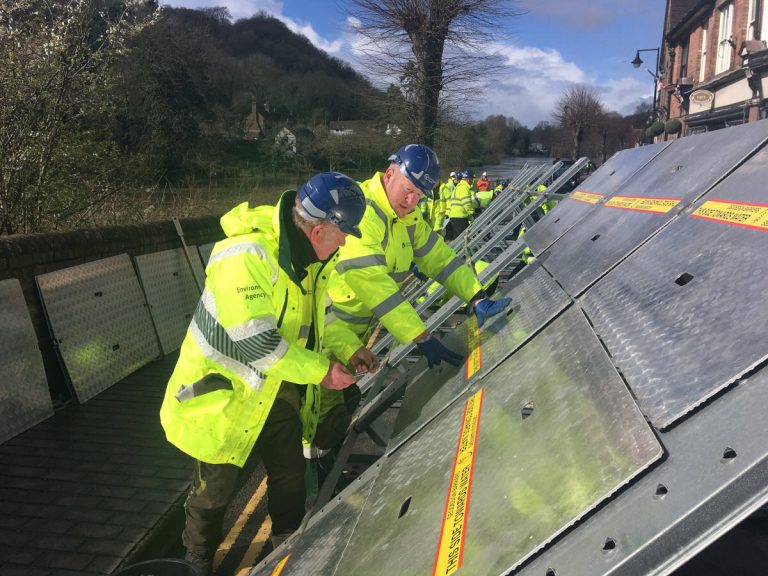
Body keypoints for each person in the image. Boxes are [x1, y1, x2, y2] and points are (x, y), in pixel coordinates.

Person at [159, 172, 375, 575]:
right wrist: (323, 372)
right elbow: (257, 346)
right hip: (224, 397)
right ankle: (198, 559)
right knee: (214, 491)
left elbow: (322, 317)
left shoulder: (312, 261)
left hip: (273, 389)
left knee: (289, 472)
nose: (346, 241)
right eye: (344, 233)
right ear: (319, 228)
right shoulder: (245, 256)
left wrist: (350, 348)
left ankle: (287, 547)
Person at [324, 144, 512, 372]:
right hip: (326, 330)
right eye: (408, 190)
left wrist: (476, 296)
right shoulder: (362, 212)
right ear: (390, 174)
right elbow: (373, 284)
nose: (411, 201)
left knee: (336, 400)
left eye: (419, 196)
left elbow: (439, 258)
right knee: (317, 399)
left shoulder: (407, 217)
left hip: (356, 332)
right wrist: (419, 335)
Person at [445, 168, 476, 240]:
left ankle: (458, 250)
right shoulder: (464, 187)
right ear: (467, 179)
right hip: (460, 216)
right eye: (472, 179)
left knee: (459, 238)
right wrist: (471, 212)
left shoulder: (459, 186)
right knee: (462, 239)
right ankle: (460, 251)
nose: (473, 181)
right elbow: (466, 202)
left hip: (455, 216)